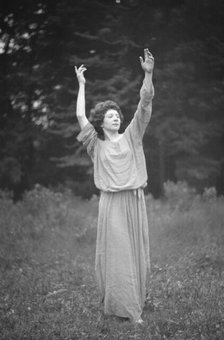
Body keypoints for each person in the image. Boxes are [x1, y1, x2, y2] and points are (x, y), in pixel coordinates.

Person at [75, 48, 154, 324]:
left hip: (134, 199)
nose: (116, 117)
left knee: (135, 253)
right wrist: (82, 86)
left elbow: (144, 105)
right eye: (110, 116)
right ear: (101, 122)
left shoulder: (132, 135)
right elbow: (81, 117)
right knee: (117, 254)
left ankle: (134, 301)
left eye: (117, 114)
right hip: (111, 203)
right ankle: (128, 309)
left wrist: (148, 74)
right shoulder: (96, 145)